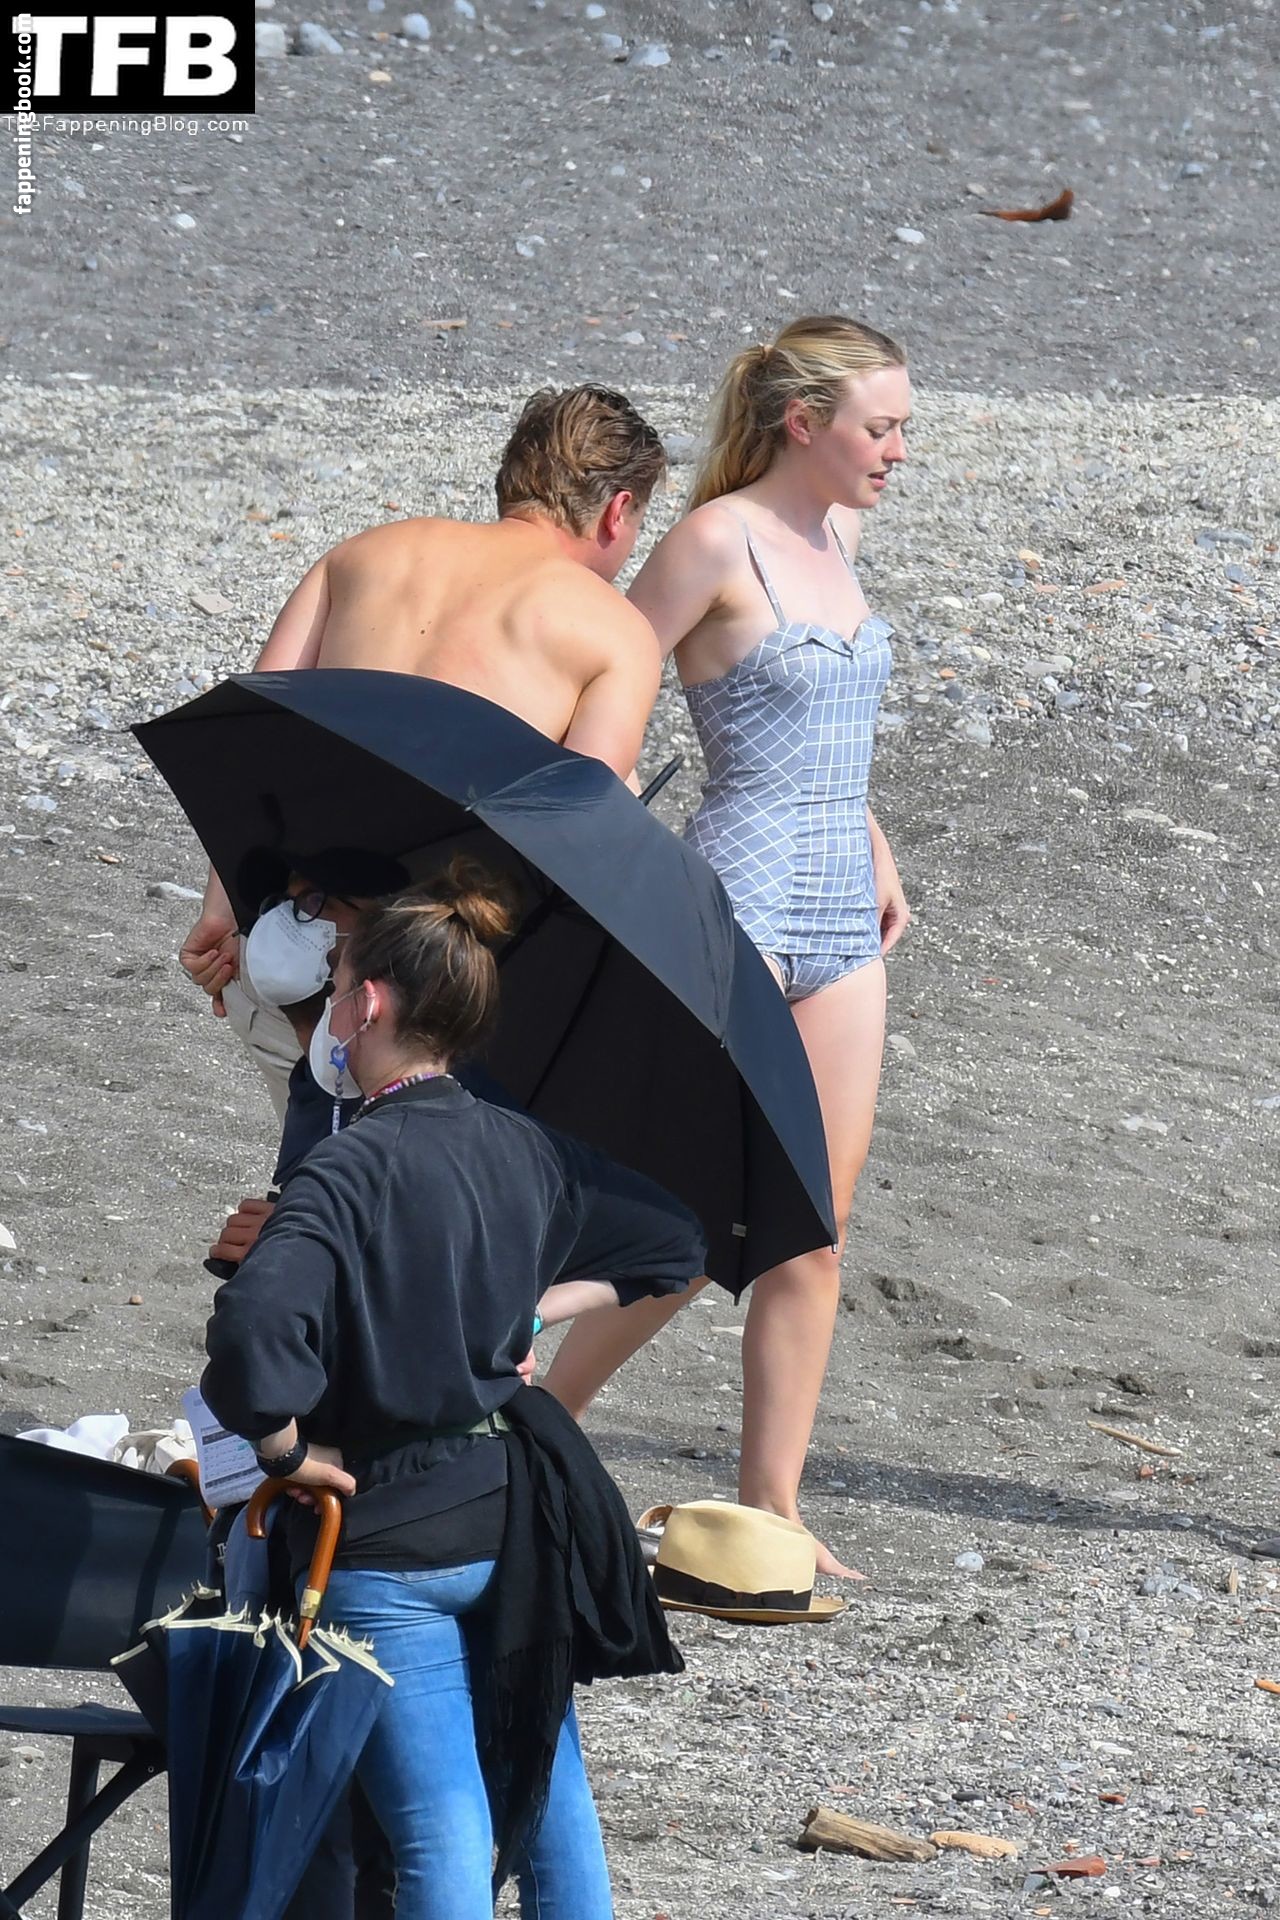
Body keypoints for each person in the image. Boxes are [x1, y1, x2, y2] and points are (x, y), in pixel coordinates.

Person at [201, 860, 707, 1920]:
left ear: (369, 1005)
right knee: (553, 1801)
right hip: (510, 1520)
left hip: (386, 1537)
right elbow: (672, 1240)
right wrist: (531, 1314)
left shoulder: (347, 1166)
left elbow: (252, 1333)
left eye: (338, 985)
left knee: (441, 1835)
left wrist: (287, 1450)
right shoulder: (525, 1150)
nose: (331, 1007)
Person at [543, 317, 913, 1580]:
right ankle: (541, 1418)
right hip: (735, 904)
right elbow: (604, 671)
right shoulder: (715, 540)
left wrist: (872, 834)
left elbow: (829, 725)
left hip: (842, 917)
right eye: (880, 428)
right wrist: (593, 844)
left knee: (812, 1229)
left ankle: (774, 1510)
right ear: (803, 424)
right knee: (692, 1213)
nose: (897, 451)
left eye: (901, 428)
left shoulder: (841, 536)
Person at [179, 384, 668, 1123]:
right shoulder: (614, 630)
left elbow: (252, 748)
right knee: (407, 1175)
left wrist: (222, 910)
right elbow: (576, 849)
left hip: (295, 941)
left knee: (321, 1163)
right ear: (617, 511)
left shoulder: (360, 556)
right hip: (435, 977)